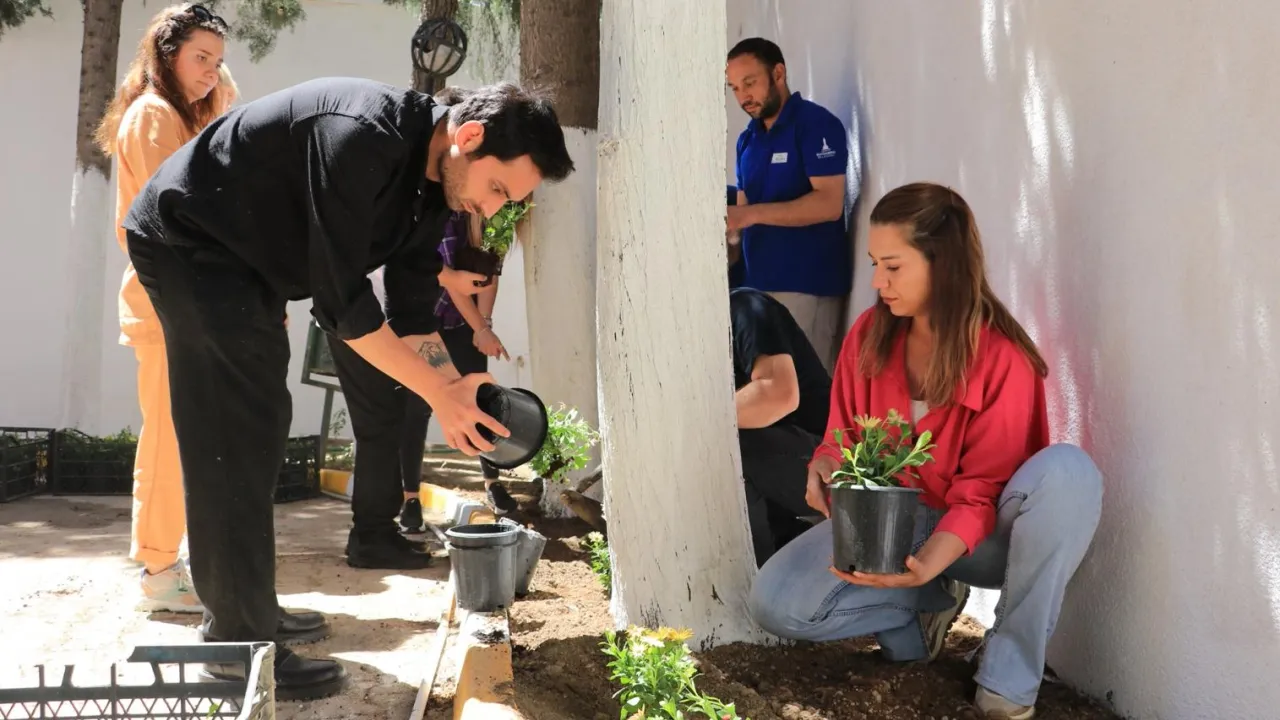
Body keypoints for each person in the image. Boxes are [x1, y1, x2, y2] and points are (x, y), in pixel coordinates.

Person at [122, 77, 574, 699]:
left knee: (260, 425)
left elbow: (411, 306)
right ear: (468, 137)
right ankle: (236, 647)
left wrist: (457, 385)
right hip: (190, 241)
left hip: (246, 264)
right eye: (497, 189)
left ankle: (248, 608)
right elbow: (342, 303)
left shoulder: (436, 184)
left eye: (507, 202)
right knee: (234, 434)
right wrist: (438, 393)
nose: (490, 210)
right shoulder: (359, 136)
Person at [748, 183, 1103, 720]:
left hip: (982, 539)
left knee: (1070, 473)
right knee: (775, 604)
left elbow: (983, 490)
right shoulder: (869, 334)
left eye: (893, 266)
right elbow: (842, 436)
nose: (878, 282)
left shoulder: (1003, 358)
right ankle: (918, 613)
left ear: (944, 263)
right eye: (875, 265)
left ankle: (1007, 678)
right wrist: (826, 463)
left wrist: (933, 557)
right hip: (892, 523)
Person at [95, 2, 236, 615]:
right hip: (166, 302)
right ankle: (157, 570)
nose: (211, 71)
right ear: (166, 55)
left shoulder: (176, 112)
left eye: (218, 60)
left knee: (183, 436)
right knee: (167, 441)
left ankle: (169, 563)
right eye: (200, 57)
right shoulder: (154, 115)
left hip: (181, 301)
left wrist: (215, 85)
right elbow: (173, 215)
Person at [726, 37, 852, 372]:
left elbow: (829, 204)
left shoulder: (815, 124)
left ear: (778, 73)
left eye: (749, 83)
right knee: (768, 392)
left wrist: (748, 214)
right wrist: (728, 238)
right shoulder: (747, 140)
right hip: (757, 288)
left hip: (806, 284)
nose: (742, 97)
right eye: (734, 88)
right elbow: (741, 220)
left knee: (806, 391)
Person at [397, 207, 521, 539]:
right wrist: (481, 329)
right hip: (424, 322)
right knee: (417, 409)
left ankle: (492, 483)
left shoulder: (500, 217)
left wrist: (484, 324)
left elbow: (489, 275)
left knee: (481, 402)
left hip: (463, 324)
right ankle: (410, 500)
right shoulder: (447, 216)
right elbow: (451, 282)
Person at [730, 287, 831, 565]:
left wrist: (696, 426)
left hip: (827, 461)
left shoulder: (744, 306)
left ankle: (751, 573)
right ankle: (785, 547)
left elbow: (779, 394)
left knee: (729, 445)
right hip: (784, 465)